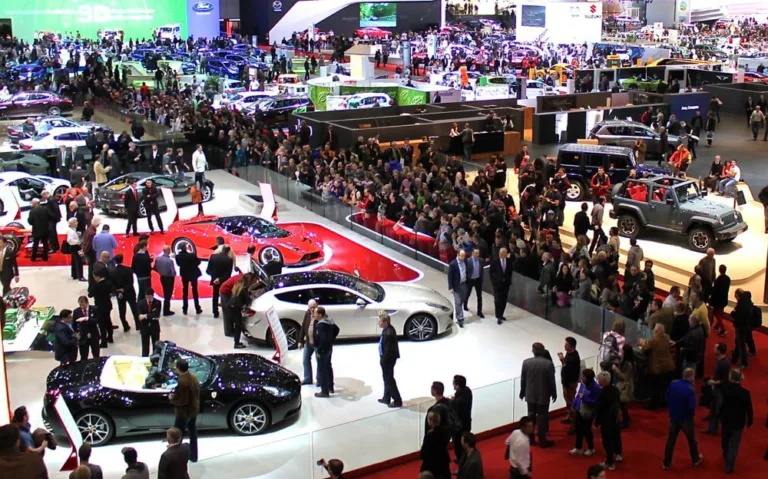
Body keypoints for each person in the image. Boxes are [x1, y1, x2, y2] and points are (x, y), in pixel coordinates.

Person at [663, 368, 703, 470]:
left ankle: (666, 463)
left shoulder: (673, 383)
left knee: (671, 440)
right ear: (691, 376)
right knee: (691, 440)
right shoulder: (690, 390)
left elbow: (666, 396)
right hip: (686, 419)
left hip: (673, 417)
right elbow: (691, 407)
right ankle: (695, 459)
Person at [519, 342, 557, 447]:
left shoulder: (526, 363)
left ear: (533, 351)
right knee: (542, 417)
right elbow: (551, 381)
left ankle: (530, 439)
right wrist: (553, 392)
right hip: (543, 394)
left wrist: (522, 391)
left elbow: (523, 379)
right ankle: (542, 440)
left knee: (531, 416)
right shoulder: (548, 364)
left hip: (530, 394)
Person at [719, 369, 753, 473]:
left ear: (731, 378)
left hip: (726, 420)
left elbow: (721, 404)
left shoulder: (725, 389)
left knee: (725, 440)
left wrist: (718, 415)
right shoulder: (745, 393)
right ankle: (730, 465)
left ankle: (726, 453)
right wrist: (750, 421)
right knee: (734, 444)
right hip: (738, 422)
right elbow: (749, 408)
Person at [169, 358, 200, 463]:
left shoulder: (182, 382)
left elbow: (182, 401)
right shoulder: (193, 376)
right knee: (192, 433)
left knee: (177, 436)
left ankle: (177, 458)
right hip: (193, 410)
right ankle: (193, 456)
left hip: (184, 413)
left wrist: (172, 398)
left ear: (178, 368)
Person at [640, 324, 675, 410]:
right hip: (669, 366)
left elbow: (644, 349)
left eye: (655, 330)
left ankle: (653, 405)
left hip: (658, 368)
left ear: (657, 331)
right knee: (665, 386)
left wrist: (643, 343)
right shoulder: (667, 338)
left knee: (655, 388)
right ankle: (664, 402)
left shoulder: (654, 340)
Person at [594, 371, 622, 470]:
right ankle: (618, 454)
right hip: (614, 419)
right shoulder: (615, 389)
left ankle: (610, 462)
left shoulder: (603, 394)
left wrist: (596, 422)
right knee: (616, 437)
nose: (598, 382)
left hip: (606, 421)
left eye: (599, 380)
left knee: (607, 441)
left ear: (605, 381)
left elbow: (600, 409)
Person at [570, 369, 601, 457]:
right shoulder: (583, 384)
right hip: (580, 410)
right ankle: (578, 447)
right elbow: (578, 396)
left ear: (587, 378)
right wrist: (573, 406)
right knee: (578, 429)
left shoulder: (595, 387)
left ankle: (591, 448)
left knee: (587, 430)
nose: (581, 377)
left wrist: (585, 398)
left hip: (589, 412)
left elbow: (596, 401)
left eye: (583, 376)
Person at [703, 342, 731, 435]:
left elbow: (726, 380)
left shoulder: (725, 363)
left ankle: (713, 428)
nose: (713, 348)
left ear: (719, 351)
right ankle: (712, 424)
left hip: (720, 390)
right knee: (713, 407)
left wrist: (715, 382)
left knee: (717, 409)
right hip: (716, 387)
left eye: (715, 348)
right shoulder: (719, 360)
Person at [377, 313, 402, 408]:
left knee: (389, 380)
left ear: (385, 322)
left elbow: (388, 351)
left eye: (380, 322)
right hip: (387, 359)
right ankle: (386, 397)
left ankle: (397, 400)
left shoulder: (388, 333)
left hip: (388, 360)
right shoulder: (387, 330)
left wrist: (383, 360)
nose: (378, 323)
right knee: (387, 379)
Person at [224, 275, 256, 349]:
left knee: (236, 325)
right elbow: (247, 302)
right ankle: (237, 343)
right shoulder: (244, 289)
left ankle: (236, 340)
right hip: (235, 308)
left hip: (229, 306)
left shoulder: (237, 286)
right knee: (238, 325)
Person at [314, 306, 339, 398]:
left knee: (322, 369)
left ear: (320, 315)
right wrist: (331, 339)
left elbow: (322, 339)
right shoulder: (330, 321)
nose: (314, 315)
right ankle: (330, 387)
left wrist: (319, 349)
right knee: (328, 367)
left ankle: (324, 391)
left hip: (323, 350)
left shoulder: (321, 325)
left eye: (315, 313)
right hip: (329, 348)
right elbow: (337, 329)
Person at [558, 337, 581, 429]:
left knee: (571, 402)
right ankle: (570, 416)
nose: (564, 345)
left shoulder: (574, 357)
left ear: (572, 346)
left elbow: (568, 369)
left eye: (566, 344)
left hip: (570, 382)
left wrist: (563, 361)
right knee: (568, 400)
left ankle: (575, 422)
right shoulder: (569, 353)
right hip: (566, 382)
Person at [420, 411, 451, 479]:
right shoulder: (444, 432)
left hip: (432, 463)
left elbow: (424, 450)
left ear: (431, 421)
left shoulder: (429, 435)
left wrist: (421, 456)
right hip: (443, 459)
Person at [112, 254, 138, 331]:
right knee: (134, 309)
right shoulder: (128, 270)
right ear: (122, 260)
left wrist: (118, 290)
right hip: (129, 292)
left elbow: (112, 283)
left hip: (119, 294)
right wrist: (124, 289)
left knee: (122, 310)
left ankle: (125, 326)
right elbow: (131, 282)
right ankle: (138, 325)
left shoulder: (112, 271)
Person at [88, 268, 113, 348]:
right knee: (108, 321)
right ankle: (110, 337)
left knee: (101, 324)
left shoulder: (96, 285)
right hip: (108, 305)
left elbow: (90, 294)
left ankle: (103, 341)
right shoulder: (108, 283)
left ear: (97, 277)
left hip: (100, 306)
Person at [207, 245, 234, 319]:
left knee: (215, 296)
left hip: (215, 280)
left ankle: (215, 312)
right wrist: (220, 279)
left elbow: (208, 270)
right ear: (228, 251)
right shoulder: (229, 260)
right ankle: (226, 313)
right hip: (224, 282)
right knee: (225, 296)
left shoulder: (213, 256)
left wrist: (215, 278)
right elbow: (228, 274)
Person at [612, 345, 635, 429]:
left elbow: (625, 377)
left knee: (623, 404)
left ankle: (625, 421)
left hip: (625, 386)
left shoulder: (629, 364)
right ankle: (626, 418)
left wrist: (616, 370)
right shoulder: (628, 361)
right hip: (624, 385)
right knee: (622, 404)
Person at [175, 243, 202, 315]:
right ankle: (197, 308)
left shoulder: (178, 256)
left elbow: (178, 264)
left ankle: (185, 309)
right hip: (193, 274)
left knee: (185, 291)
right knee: (195, 291)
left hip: (184, 275)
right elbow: (198, 262)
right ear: (185, 248)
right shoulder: (192, 255)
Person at [451, 375, 473, 461]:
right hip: (465, 424)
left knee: (459, 445)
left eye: (454, 383)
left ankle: (462, 463)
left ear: (457, 386)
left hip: (460, 427)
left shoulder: (459, 401)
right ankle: (461, 459)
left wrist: (453, 402)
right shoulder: (467, 391)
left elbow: (456, 410)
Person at [489, 247, 512, 324]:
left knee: (504, 300)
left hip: (506, 285)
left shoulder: (509, 261)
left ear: (506, 254)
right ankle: (498, 316)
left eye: (502, 253)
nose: (500, 254)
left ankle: (501, 314)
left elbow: (510, 272)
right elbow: (490, 272)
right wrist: (493, 281)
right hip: (497, 285)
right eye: (500, 253)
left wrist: (508, 280)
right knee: (497, 300)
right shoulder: (495, 262)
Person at [298, 299, 319, 385]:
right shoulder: (307, 313)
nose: (312, 310)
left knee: (319, 361)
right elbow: (303, 327)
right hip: (308, 342)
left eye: (314, 307)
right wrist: (300, 341)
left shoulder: (320, 315)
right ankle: (308, 378)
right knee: (305, 359)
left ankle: (319, 380)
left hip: (317, 343)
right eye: (311, 308)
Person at [137, 288, 161, 357]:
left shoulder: (157, 302)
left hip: (155, 328)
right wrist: (151, 316)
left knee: (156, 347)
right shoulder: (140, 303)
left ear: (153, 296)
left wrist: (145, 316)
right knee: (145, 347)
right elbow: (139, 317)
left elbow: (156, 314)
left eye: (150, 297)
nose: (148, 298)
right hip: (144, 328)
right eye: (147, 297)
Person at [73, 296, 100, 360]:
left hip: (94, 335)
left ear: (87, 302)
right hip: (83, 337)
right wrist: (76, 333)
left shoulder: (94, 309)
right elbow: (74, 324)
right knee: (83, 356)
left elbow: (97, 320)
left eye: (83, 304)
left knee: (96, 354)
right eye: (80, 304)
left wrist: (87, 318)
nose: (82, 306)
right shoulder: (76, 311)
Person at [153, 246, 177, 316]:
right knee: (168, 295)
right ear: (169, 251)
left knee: (165, 292)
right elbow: (173, 273)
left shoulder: (158, 259)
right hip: (169, 279)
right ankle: (166, 311)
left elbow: (155, 268)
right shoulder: (170, 261)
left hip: (162, 278)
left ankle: (165, 310)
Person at [448, 249, 469, 328]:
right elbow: (449, 276)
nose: (463, 257)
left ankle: (459, 313)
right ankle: (460, 318)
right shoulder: (453, 264)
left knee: (462, 300)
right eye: (462, 256)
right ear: (457, 255)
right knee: (458, 302)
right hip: (456, 285)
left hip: (464, 284)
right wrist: (451, 287)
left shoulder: (466, 262)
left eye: (464, 256)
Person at [710, 265, 731, 336]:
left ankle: (723, 329)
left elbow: (715, 291)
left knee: (716, 314)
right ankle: (717, 326)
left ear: (719, 270)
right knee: (720, 313)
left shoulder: (718, 279)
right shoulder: (728, 278)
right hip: (724, 299)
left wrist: (711, 300)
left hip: (718, 300)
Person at [464, 248, 484, 318]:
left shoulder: (481, 260)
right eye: (476, 253)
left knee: (479, 296)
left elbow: (482, 271)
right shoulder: (468, 261)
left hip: (478, 280)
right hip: (470, 280)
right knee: (467, 294)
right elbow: (465, 271)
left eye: (478, 253)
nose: (477, 255)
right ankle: (465, 304)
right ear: (472, 253)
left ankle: (479, 311)